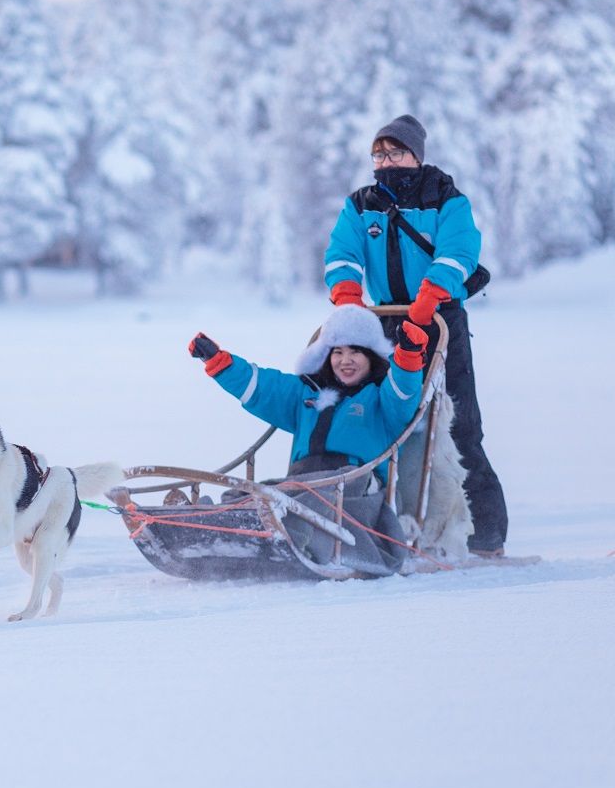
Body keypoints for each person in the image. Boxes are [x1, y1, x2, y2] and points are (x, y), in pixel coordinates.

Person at [320, 114, 507, 556]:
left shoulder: (445, 197)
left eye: (395, 152)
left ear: (416, 155)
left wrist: (431, 295)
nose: (386, 161)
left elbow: (459, 251)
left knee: (460, 427)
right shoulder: (360, 203)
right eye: (379, 154)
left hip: (440, 321)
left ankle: (486, 535)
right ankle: (378, 522)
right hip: (383, 324)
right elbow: (342, 253)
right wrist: (347, 294)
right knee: (374, 419)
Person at [188, 305, 430, 479]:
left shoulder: (381, 399)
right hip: (302, 481)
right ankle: (215, 521)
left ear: (372, 357)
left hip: (358, 488)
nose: (345, 360)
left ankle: (270, 532)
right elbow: (263, 387)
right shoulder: (307, 394)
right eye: (338, 352)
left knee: (299, 505)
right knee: (258, 495)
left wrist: (408, 358)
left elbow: (404, 392)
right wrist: (220, 362)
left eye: (355, 352)